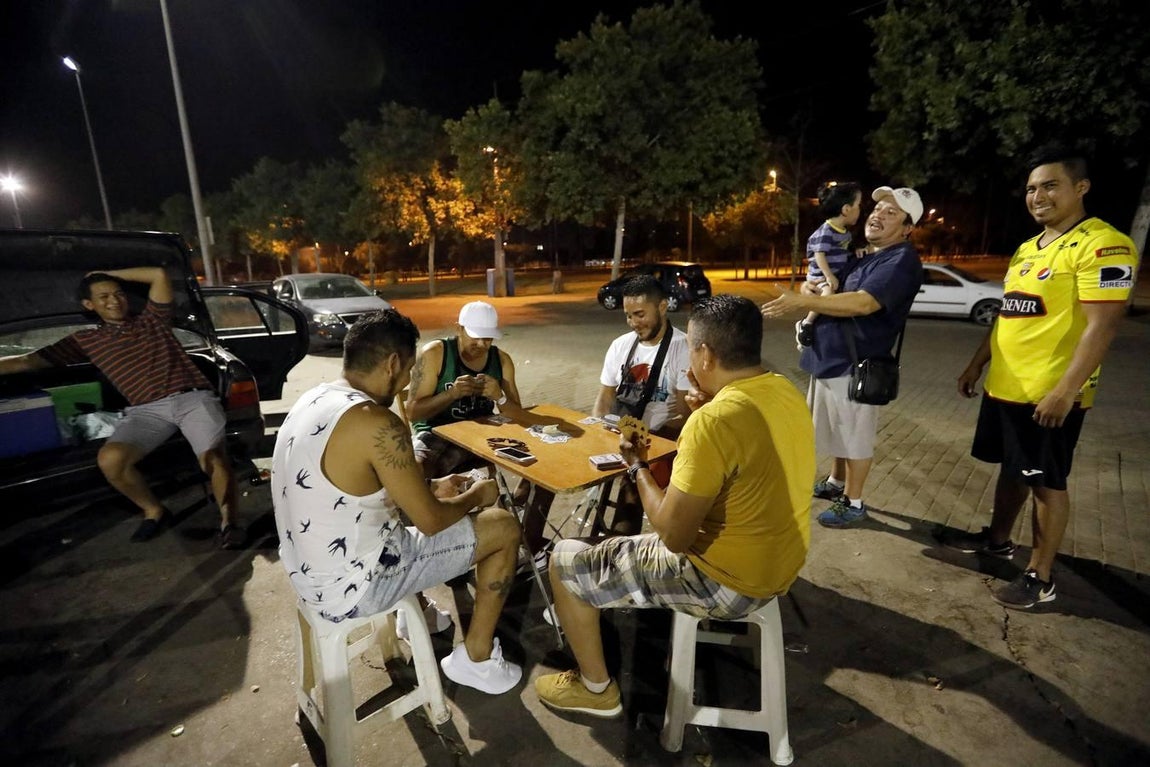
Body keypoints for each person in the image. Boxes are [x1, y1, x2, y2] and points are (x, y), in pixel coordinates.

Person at [533, 294, 814, 717]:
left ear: (704, 353)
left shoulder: (713, 421)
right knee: (612, 545)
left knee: (564, 558)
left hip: (727, 583)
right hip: (783, 565)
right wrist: (705, 410)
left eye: (692, 352)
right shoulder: (781, 390)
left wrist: (637, 466)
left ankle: (595, 688)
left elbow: (673, 535)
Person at [271, 309, 523, 694]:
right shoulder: (379, 424)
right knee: (503, 526)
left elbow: (353, 488)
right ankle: (477, 657)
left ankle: (420, 617)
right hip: (357, 585)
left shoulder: (314, 399)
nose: (408, 383)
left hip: (307, 575)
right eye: (409, 371)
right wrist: (477, 495)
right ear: (392, 363)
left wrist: (433, 486)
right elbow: (431, 522)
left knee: (439, 503)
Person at [945, 143, 1138, 609]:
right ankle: (997, 540)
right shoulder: (1028, 248)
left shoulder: (1104, 244)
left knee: (1045, 483)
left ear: (1081, 187)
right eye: (1031, 188)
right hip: (1004, 389)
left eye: (1050, 185)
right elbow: (1009, 315)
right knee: (1013, 471)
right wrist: (978, 363)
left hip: (1047, 397)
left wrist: (1066, 391)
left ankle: (1040, 574)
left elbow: (1103, 325)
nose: (1037, 196)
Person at [0, 268, 245, 548]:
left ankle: (230, 522)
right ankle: (154, 511)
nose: (114, 300)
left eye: (118, 294)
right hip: (146, 411)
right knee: (111, 459)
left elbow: (158, 275)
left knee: (213, 458)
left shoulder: (152, 320)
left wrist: (106, 273)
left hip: (192, 399)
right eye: (103, 296)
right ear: (88, 305)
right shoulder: (85, 341)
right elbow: (27, 362)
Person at [760, 186, 925, 529]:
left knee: (855, 436)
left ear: (908, 228)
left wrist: (803, 303)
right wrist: (810, 289)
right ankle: (836, 482)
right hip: (830, 360)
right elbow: (828, 285)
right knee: (836, 429)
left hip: (857, 364)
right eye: (877, 208)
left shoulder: (901, 260)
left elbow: (864, 302)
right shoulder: (864, 256)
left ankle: (854, 501)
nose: (878, 214)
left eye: (891, 213)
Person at [590, 273, 691, 533]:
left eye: (640, 314)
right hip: (617, 435)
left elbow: (685, 415)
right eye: (628, 315)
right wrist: (593, 433)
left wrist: (644, 445)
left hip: (661, 445)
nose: (633, 322)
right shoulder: (620, 345)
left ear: (662, 307)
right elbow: (605, 398)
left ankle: (618, 551)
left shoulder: (683, 348)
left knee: (631, 487)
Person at [796, 181, 864, 349]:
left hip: (830, 275)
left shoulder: (844, 232)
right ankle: (806, 323)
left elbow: (841, 252)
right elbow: (819, 254)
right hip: (820, 275)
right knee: (827, 294)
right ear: (846, 209)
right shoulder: (826, 231)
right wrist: (828, 275)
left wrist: (854, 252)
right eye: (858, 205)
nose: (860, 210)